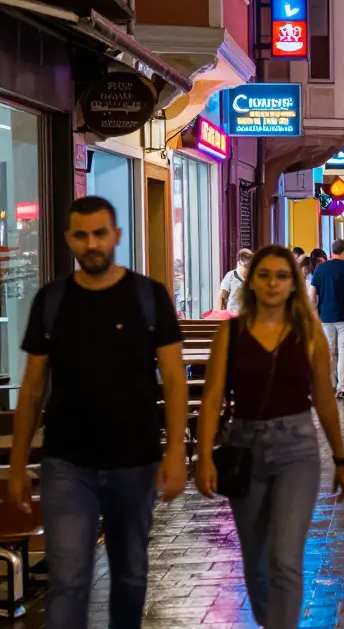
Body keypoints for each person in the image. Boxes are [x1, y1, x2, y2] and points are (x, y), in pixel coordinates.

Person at [9, 196, 188, 629]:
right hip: (67, 463)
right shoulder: (51, 301)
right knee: (69, 580)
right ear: (69, 239)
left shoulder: (148, 297)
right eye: (82, 235)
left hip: (135, 460)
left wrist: (176, 453)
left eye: (100, 233)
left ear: (116, 237)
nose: (92, 243)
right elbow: (33, 387)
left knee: (130, 576)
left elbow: (174, 377)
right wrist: (17, 465)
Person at [194, 246, 344, 629]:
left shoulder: (308, 333)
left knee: (285, 557)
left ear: (293, 283)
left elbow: (325, 400)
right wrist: (202, 458)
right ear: (251, 281)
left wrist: (341, 458)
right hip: (243, 447)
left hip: (296, 449)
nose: (273, 283)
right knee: (256, 560)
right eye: (264, 274)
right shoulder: (229, 334)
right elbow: (212, 398)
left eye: (282, 276)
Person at [309, 239, 344, 399]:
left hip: (325, 317)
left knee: (328, 352)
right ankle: (342, 388)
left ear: (331, 250)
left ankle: (328, 384)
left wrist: (316, 314)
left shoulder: (320, 269)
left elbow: (312, 297)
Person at [219, 248, 255, 314]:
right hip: (233, 314)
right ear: (240, 261)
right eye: (247, 263)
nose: (248, 266)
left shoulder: (254, 277)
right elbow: (222, 296)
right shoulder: (231, 275)